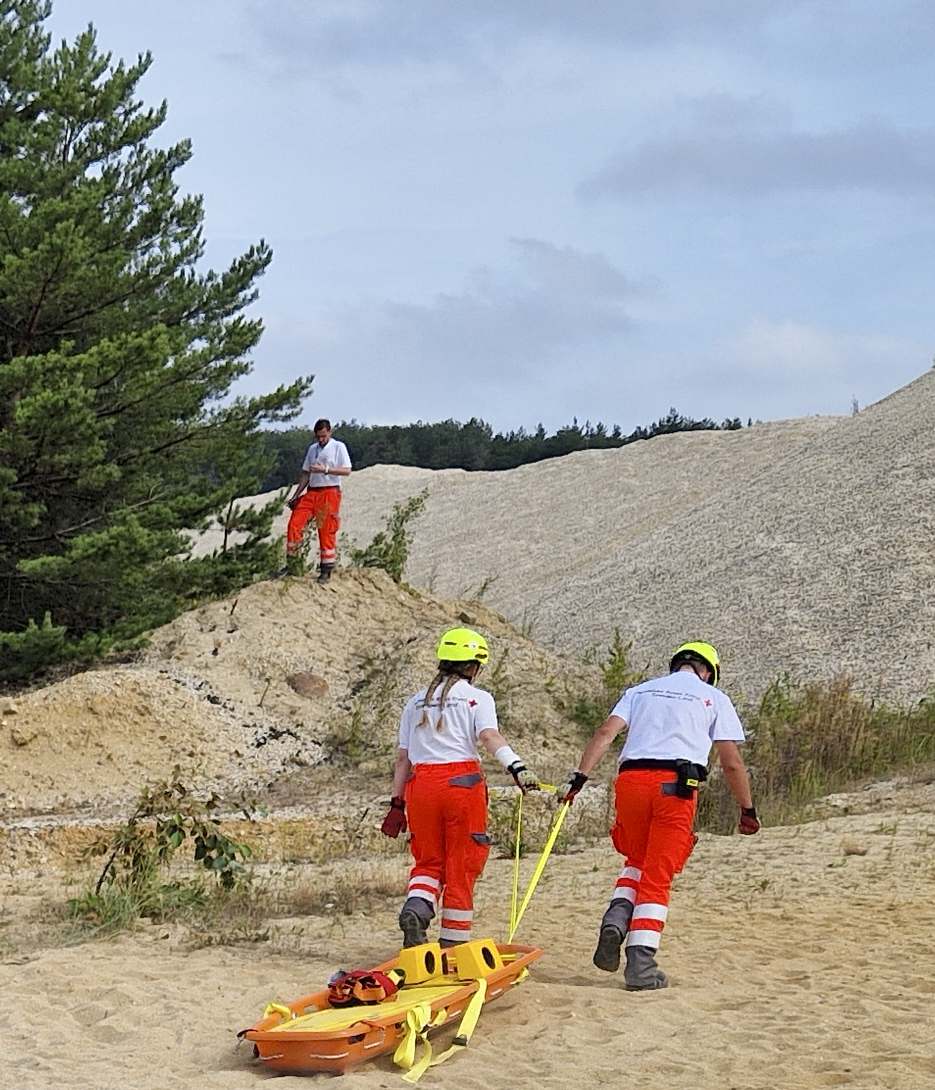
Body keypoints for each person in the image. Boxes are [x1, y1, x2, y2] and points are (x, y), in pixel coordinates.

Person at [562, 641, 758, 991]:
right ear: (709, 672)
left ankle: (616, 920)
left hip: (631, 782)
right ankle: (641, 965)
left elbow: (606, 733)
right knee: (658, 875)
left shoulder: (639, 691)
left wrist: (579, 778)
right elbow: (731, 762)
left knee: (636, 859)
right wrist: (747, 809)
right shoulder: (713, 698)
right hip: (676, 787)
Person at [383, 627, 536, 952]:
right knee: (462, 863)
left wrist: (397, 803)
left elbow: (402, 759)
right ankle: (453, 946)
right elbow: (490, 737)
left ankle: (417, 909)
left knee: (428, 862)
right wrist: (516, 767)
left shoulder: (415, 702)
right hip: (462, 785)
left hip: (420, 787)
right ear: (474, 666)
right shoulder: (477, 698)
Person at [285, 419, 352, 582]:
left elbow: (347, 470)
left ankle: (326, 568)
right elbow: (306, 474)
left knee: (326, 529)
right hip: (312, 492)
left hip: (330, 491)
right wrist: (296, 495)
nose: (321, 440)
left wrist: (325, 470)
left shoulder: (338, 447)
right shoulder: (312, 449)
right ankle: (293, 563)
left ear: (330, 432)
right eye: (318, 437)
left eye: (323, 436)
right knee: (295, 524)